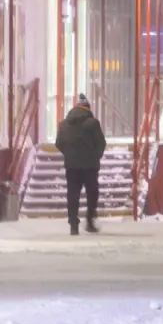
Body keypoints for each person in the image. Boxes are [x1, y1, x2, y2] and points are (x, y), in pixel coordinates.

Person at [55, 93, 106, 235]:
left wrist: (69, 154)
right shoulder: (93, 123)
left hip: (72, 166)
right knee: (92, 193)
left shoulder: (64, 124)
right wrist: (96, 156)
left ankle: (73, 223)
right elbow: (101, 143)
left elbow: (58, 143)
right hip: (90, 166)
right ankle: (89, 221)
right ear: (87, 109)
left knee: (72, 193)